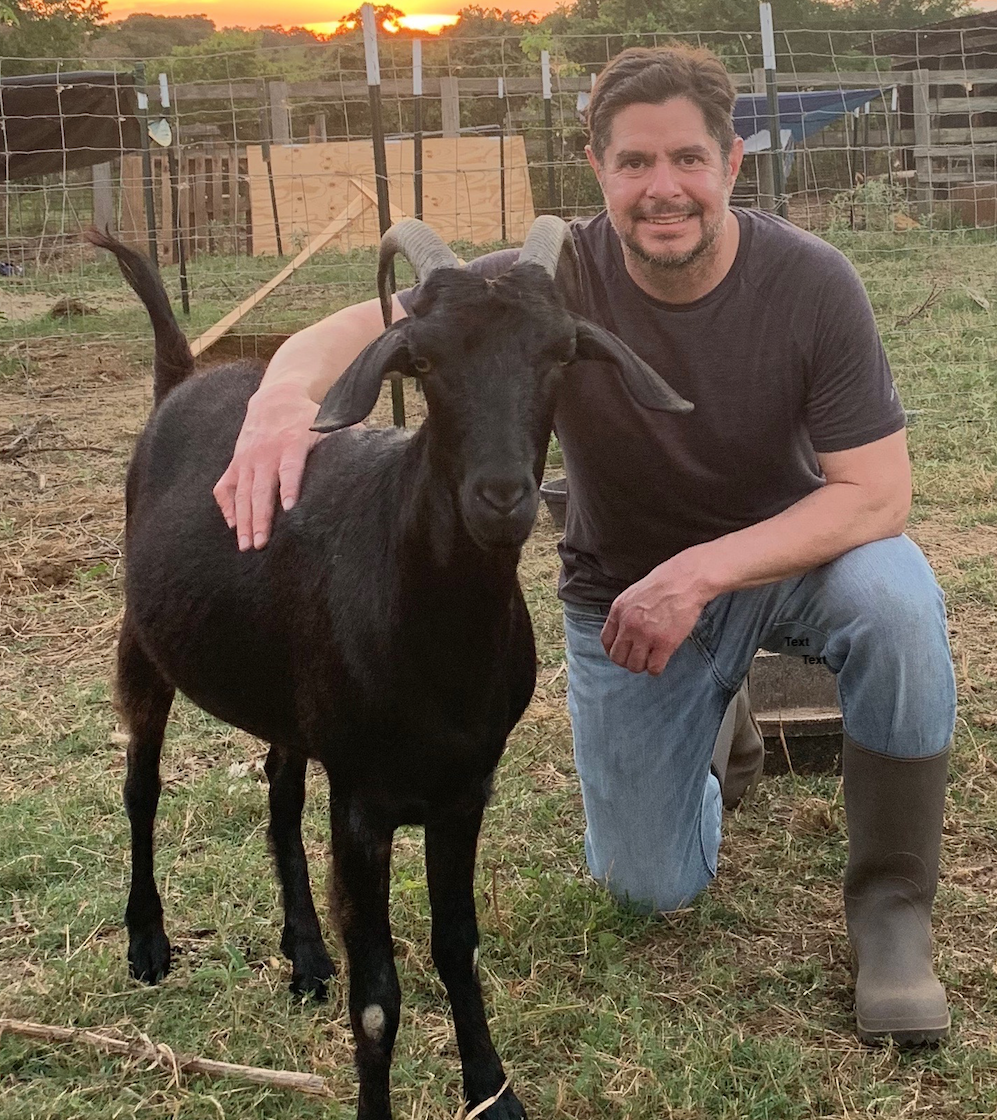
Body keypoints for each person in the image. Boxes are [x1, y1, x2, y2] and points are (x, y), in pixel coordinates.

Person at [214, 44, 954, 1044]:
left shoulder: (810, 283)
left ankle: (891, 908)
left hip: (783, 564)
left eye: (687, 160)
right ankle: (714, 719)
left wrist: (701, 573)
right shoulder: (536, 290)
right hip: (625, 591)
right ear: (596, 169)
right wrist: (273, 400)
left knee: (896, 598)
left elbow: (875, 493)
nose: (663, 190)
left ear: (731, 163)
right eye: (634, 163)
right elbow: (346, 328)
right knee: (644, 886)